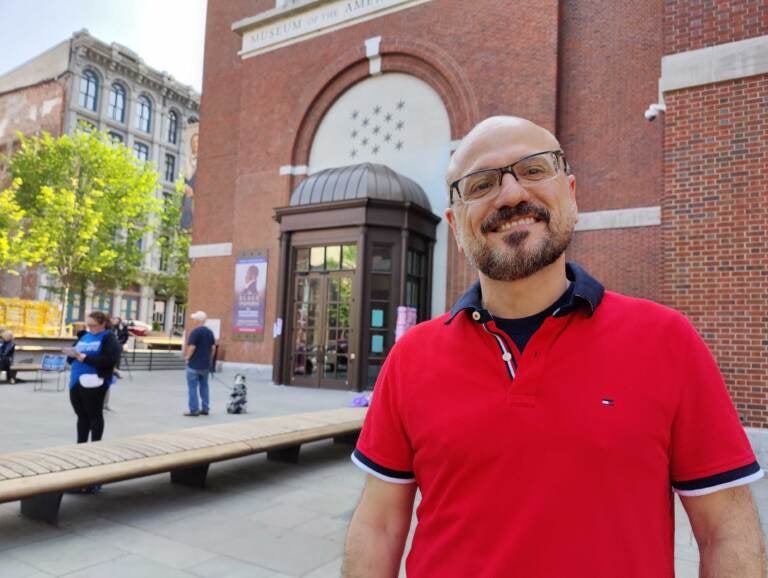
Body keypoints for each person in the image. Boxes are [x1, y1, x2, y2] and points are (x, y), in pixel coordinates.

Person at [342, 117, 766, 578]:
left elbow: (726, 528)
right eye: (481, 183)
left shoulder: (667, 340)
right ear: (455, 224)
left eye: (534, 170)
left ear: (572, 193)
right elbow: (379, 525)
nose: (510, 195)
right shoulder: (411, 358)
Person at [66, 311, 120, 492]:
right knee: (81, 415)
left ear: (103, 323)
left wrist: (86, 358)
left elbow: (110, 360)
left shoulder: (109, 338)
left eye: (94, 325)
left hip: (94, 381)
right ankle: (81, 446)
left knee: (94, 414)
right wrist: (71, 354)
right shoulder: (85, 336)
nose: (91, 328)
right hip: (76, 380)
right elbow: (70, 356)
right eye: (88, 325)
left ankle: (96, 446)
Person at [184, 310, 215, 416]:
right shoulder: (209, 332)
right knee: (204, 386)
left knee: (192, 387)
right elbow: (213, 348)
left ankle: (194, 410)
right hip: (205, 366)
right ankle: (205, 408)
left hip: (194, 365)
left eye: (194, 319)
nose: (193, 321)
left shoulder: (195, 332)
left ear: (198, 320)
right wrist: (209, 360)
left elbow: (192, 347)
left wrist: (187, 357)